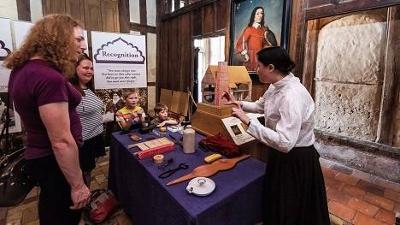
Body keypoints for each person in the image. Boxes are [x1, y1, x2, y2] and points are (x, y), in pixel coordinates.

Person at [222, 47, 330, 225]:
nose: (256, 70)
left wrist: (248, 122)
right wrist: (238, 103)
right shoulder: (276, 86)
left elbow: (286, 142)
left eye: (258, 66)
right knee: (276, 202)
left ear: (271, 67)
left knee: (291, 208)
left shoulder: (291, 96)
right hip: (281, 156)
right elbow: (260, 106)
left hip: (295, 159)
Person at [4, 14, 90, 225]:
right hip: (55, 162)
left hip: (43, 158)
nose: (83, 45)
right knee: (64, 216)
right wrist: (78, 186)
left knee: (51, 209)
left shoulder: (22, 69)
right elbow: (61, 141)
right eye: (78, 39)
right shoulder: (48, 77)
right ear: (57, 37)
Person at [69, 53, 106, 186]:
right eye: (86, 68)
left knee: (88, 171)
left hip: (94, 137)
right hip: (83, 142)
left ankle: (86, 198)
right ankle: (82, 202)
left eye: (91, 68)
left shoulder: (88, 88)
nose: (90, 71)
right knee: (82, 175)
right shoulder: (70, 90)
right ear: (74, 68)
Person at [235, 6, 277, 71]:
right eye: (257, 14)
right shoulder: (249, 29)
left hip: (261, 57)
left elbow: (267, 43)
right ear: (253, 16)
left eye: (261, 13)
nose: (260, 15)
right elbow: (241, 42)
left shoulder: (264, 30)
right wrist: (245, 54)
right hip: (251, 57)